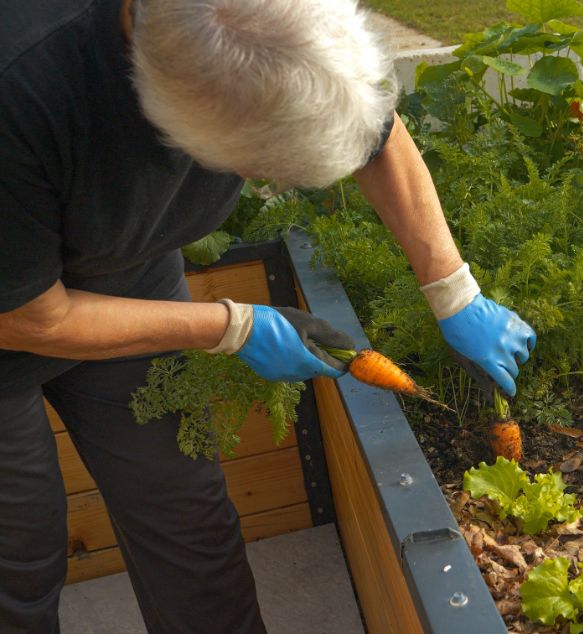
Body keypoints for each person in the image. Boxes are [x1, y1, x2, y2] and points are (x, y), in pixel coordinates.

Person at [0, 0, 536, 631]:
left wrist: (453, 291)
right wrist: (230, 326)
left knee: (185, 512)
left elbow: (373, 132)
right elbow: (28, 316)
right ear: (175, 119)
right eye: (259, 171)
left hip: (124, 272)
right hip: (18, 309)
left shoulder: (280, 25)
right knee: (20, 556)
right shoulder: (23, 85)